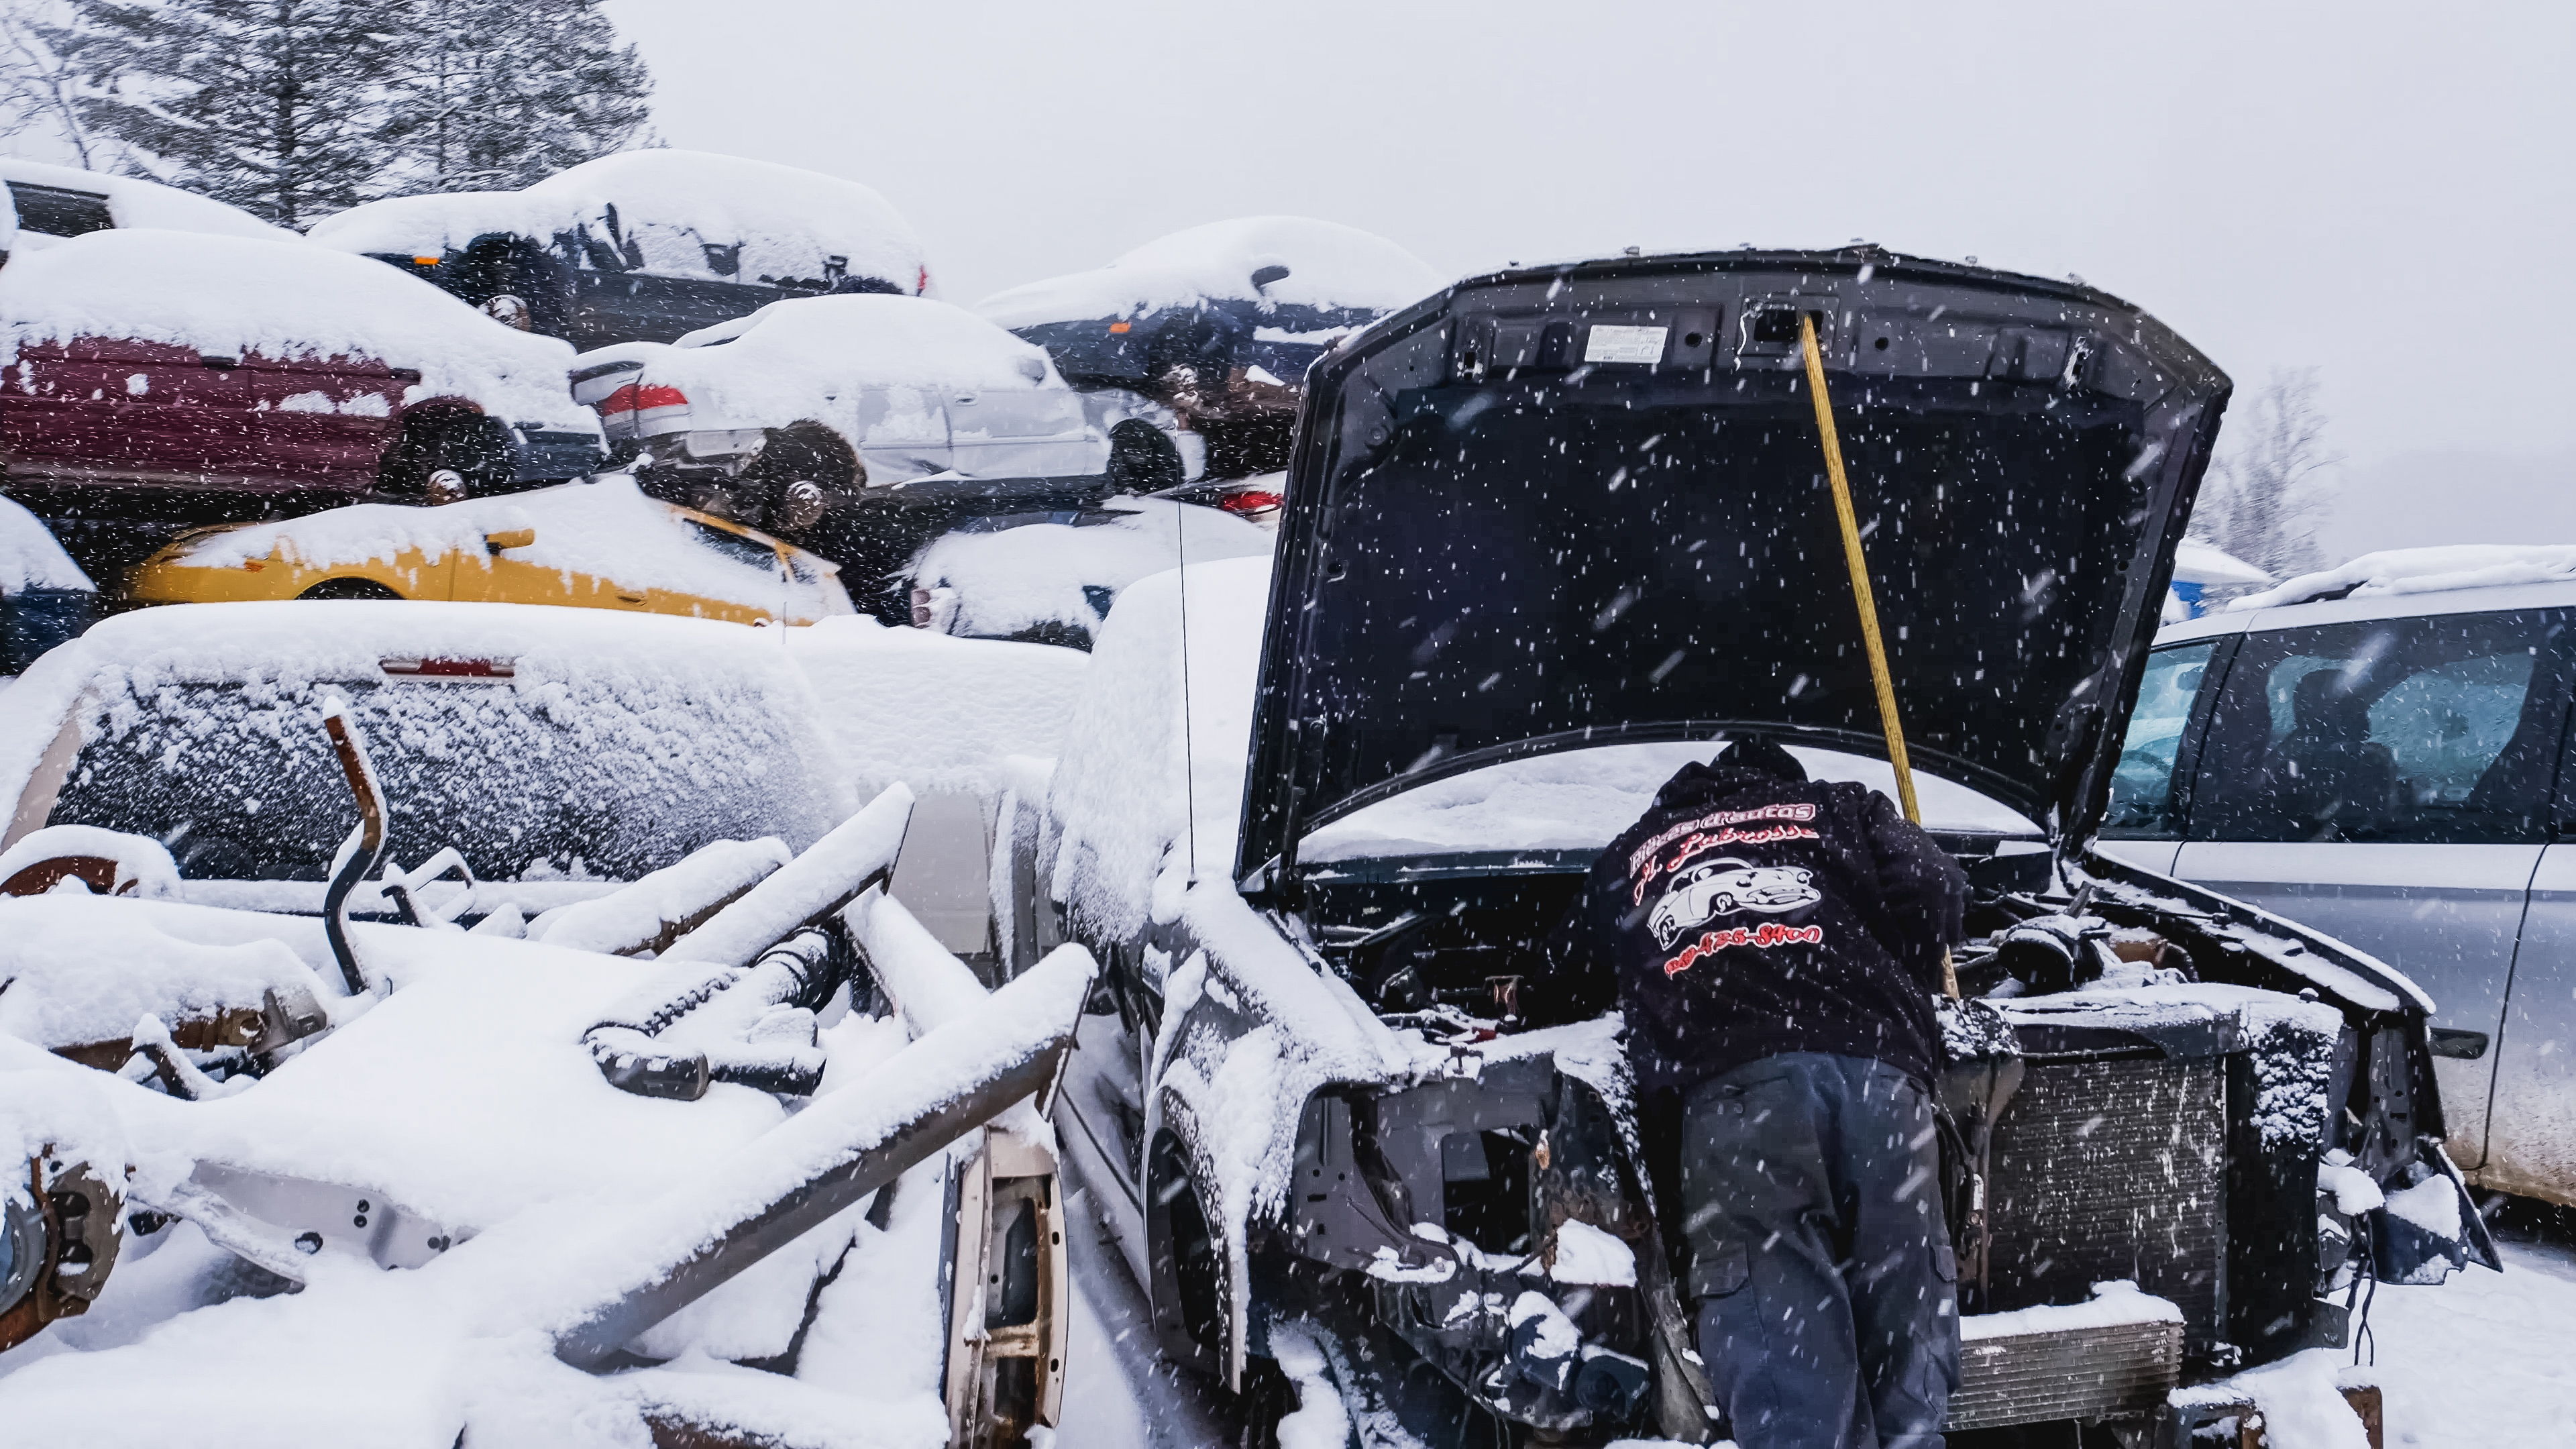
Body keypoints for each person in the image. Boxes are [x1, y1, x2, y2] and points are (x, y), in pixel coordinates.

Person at [1540, 736, 1969, 1449]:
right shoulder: (1840, 805)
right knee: (1909, 1375)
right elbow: (1936, 886)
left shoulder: (1644, 848)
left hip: (1741, 1105)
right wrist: (1893, 969)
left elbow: (1564, 967)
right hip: (1882, 1088)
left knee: (1792, 1391)